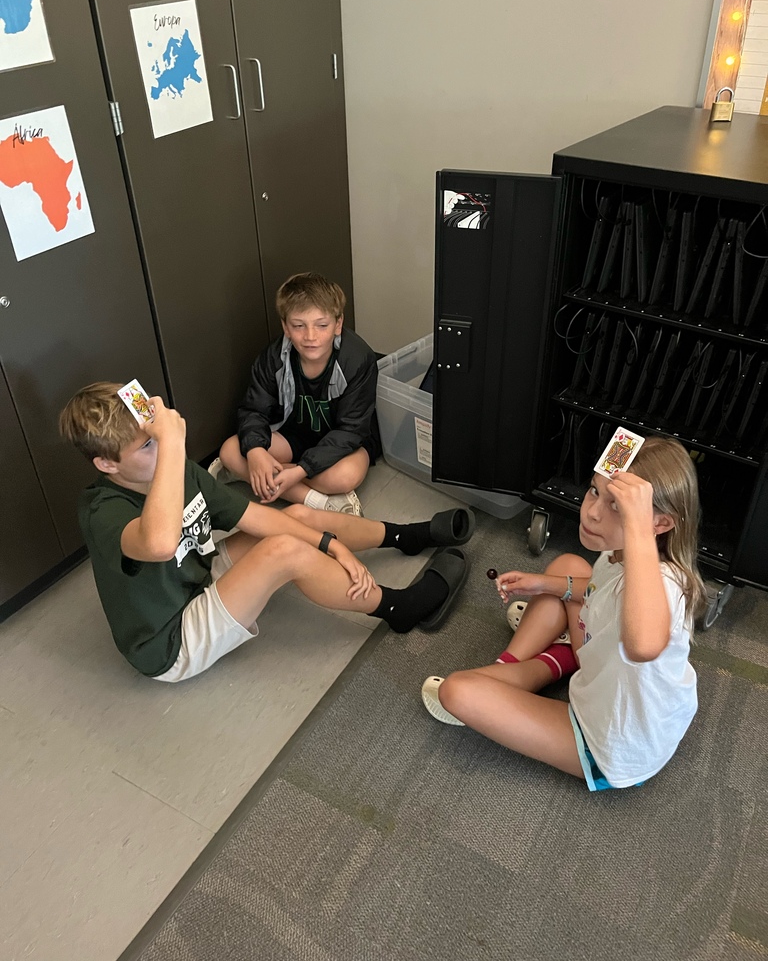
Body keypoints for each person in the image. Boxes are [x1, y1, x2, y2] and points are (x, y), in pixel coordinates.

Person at [59, 382, 472, 682]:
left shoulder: (174, 470)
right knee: (283, 552)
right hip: (170, 640)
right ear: (107, 465)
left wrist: (334, 547)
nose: (162, 449)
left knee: (297, 517)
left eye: (156, 441)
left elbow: (256, 517)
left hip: (198, 579)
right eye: (145, 447)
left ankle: (404, 536)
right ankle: (400, 609)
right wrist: (170, 444)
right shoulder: (103, 512)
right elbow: (161, 542)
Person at [421, 437, 707, 791]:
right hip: (608, 675)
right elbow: (594, 588)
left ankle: (533, 668)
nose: (592, 512)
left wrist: (637, 527)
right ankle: (544, 660)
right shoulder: (618, 552)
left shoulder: (663, 584)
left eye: (617, 506)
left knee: (458, 692)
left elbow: (643, 646)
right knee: (568, 567)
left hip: (611, 744)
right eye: (593, 491)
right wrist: (542, 584)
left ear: (658, 525)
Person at [213, 272, 381, 517]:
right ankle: (317, 501)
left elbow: (351, 431)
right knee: (230, 450)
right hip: (294, 435)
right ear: (285, 327)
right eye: (298, 325)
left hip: (344, 442)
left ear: (338, 324)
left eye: (321, 325)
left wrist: (301, 470)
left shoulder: (358, 359)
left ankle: (252, 475)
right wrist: (257, 453)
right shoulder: (273, 357)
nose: (310, 336)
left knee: (345, 477)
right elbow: (254, 411)